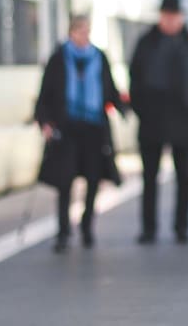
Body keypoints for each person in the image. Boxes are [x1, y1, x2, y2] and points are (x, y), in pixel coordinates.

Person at [34, 15, 125, 253]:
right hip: (67, 129)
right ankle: (63, 231)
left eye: (86, 31)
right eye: (79, 31)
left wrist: (125, 107)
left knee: (93, 181)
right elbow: (46, 95)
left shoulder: (99, 58)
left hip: (94, 129)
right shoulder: (58, 59)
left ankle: (87, 227)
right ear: (71, 33)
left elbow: (110, 90)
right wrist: (45, 122)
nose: (84, 36)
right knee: (65, 182)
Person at [129, 0, 188, 245]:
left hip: (184, 120)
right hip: (152, 120)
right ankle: (149, 228)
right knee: (149, 178)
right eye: (166, 15)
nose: (170, 20)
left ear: (181, 17)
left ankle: (182, 226)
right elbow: (135, 79)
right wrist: (141, 109)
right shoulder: (146, 43)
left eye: (174, 16)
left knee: (185, 177)